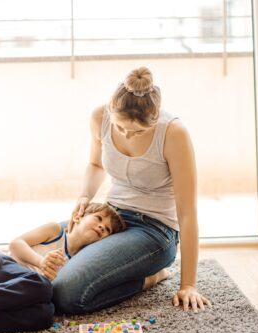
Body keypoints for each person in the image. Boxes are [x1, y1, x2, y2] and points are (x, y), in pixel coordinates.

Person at [52, 66, 212, 315]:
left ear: (155, 117)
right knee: (40, 250)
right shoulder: (100, 117)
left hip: (154, 230)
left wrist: (188, 284)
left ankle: (149, 278)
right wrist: (85, 196)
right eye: (120, 127)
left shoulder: (173, 133)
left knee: (65, 292)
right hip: (110, 218)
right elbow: (95, 164)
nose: (127, 134)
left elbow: (188, 212)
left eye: (137, 131)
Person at [0, 202, 126, 333]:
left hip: (10, 297)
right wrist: (41, 262)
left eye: (108, 229)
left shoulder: (80, 261)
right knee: (42, 285)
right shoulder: (55, 231)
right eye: (99, 218)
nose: (103, 227)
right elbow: (16, 243)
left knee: (46, 314)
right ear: (78, 217)